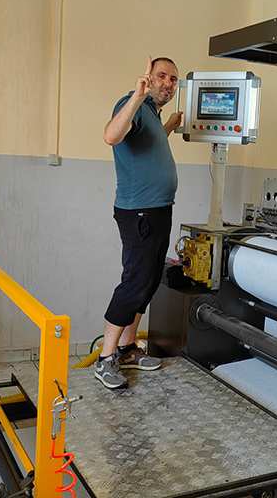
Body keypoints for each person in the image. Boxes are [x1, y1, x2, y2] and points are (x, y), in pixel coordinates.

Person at [96, 56, 183, 389]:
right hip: (139, 212)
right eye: (161, 76)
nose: (167, 83)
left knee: (147, 284)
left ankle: (127, 349)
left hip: (159, 210)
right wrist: (136, 95)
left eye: (173, 79)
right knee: (134, 283)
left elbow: (147, 146)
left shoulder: (152, 115)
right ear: (149, 77)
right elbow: (111, 135)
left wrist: (169, 126)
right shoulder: (132, 104)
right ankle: (106, 358)